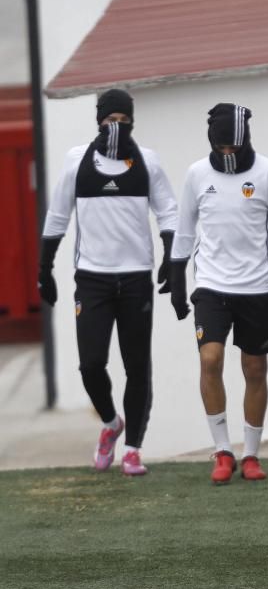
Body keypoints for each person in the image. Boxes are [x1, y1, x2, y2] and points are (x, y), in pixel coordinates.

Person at [38, 89, 177, 475]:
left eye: (122, 119)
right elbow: (57, 216)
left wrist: (171, 259)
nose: (115, 126)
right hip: (93, 278)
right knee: (91, 364)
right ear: (98, 120)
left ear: (131, 120)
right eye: (109, 119)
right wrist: (44, 268)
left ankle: (132, 449)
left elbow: (168, 211)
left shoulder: (147, 161)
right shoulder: (77, 160)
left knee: (137, 366)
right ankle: (110, 423)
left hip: (135, 279)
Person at [169, 103, 268, 484]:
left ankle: (252, 453)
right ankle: (223, 450)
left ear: (246, 143)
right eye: (221, 147)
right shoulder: (197, 174)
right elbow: (185, 230)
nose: (228, 153)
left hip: (257, 287)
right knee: (210, 359)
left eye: (234, 147)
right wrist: (178, 283)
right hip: (211, 286)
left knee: (254, 367)